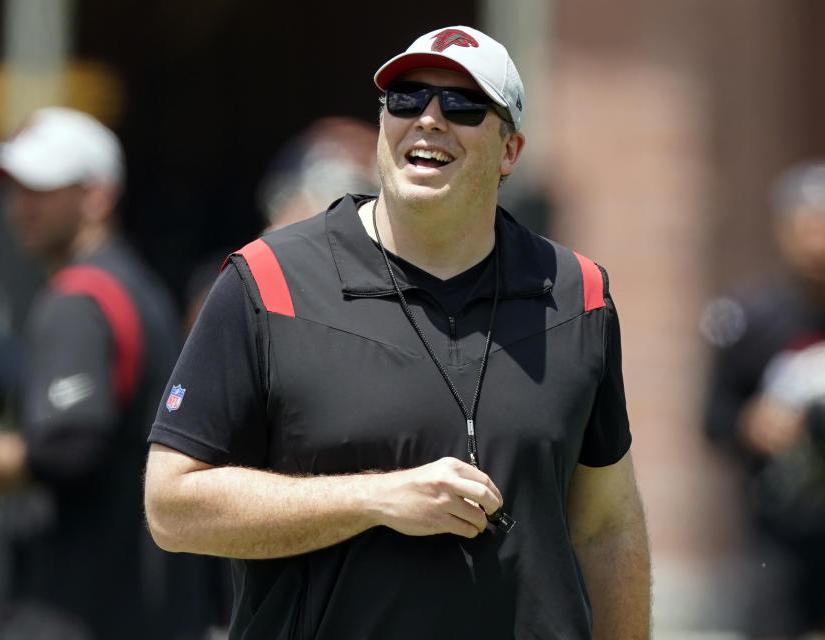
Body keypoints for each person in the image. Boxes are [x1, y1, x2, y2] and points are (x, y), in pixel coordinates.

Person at [145, 25, 650, 639]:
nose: (430, 120)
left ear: (511, 151)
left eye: (463, 106)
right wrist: (376, 499)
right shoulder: (267, 283)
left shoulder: (578, 294)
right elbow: (172, 507)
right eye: (406, 99)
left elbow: (606, 527)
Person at [0, 107, 180, 639]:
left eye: (42, 189)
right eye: (14, 190)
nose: (20, 207)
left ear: (97, 195)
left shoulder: (78, 297)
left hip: (75, 609)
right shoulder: (140, 287)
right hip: (134, 604)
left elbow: (69, 446)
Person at [702, 161, 825, 638]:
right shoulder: (747, 319)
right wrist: (754, 427)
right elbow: (714, 421)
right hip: (778, 531)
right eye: (808, 226)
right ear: (784, 229)